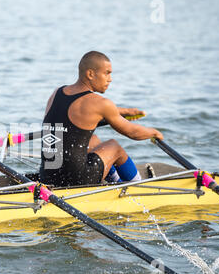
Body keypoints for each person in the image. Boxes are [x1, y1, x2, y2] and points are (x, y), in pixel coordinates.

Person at [39, 51, 163, 187]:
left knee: (93, 141)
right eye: (107, 73)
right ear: (90, 74)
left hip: (47, 176)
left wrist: (124, 111)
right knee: (114, 147)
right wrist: (154, 133)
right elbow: (133, 133)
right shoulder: (101, 103)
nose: (110, 79)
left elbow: (74, 120)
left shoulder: (56, 93)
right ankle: (139, 188)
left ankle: (116, 183)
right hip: (77, 180)